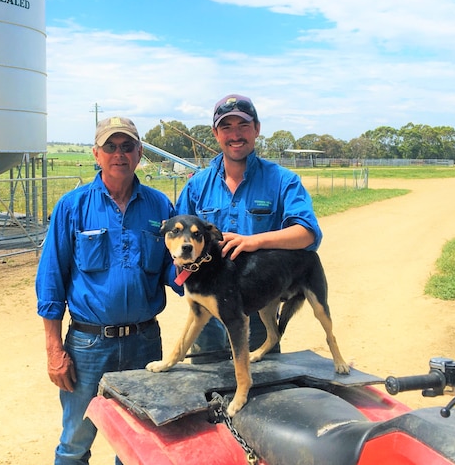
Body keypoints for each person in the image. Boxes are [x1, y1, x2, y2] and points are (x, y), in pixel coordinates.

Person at [36, 116, 180, 465]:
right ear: (96, 154)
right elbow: (52, 277)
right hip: (88, 347)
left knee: (137, 445)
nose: (120, 154)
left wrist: (206, 269)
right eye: (111, 147)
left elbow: (173, 270)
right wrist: (55, 349)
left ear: (139, 153)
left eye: (127, 146)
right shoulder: (73, 207)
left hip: (144, 344)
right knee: (74, 442)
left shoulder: (160, 207)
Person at [175, 94, 323, 362]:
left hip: (256, 306)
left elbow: (307, 234)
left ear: (256, 129)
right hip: (206, 318)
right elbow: (175, 241)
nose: (235, 135)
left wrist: (255, 241)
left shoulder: (282, 181)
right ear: (215, 133)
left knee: (263, 396)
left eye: (243, 126)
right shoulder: (197, 186)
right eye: (226, 127)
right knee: (201, 392)